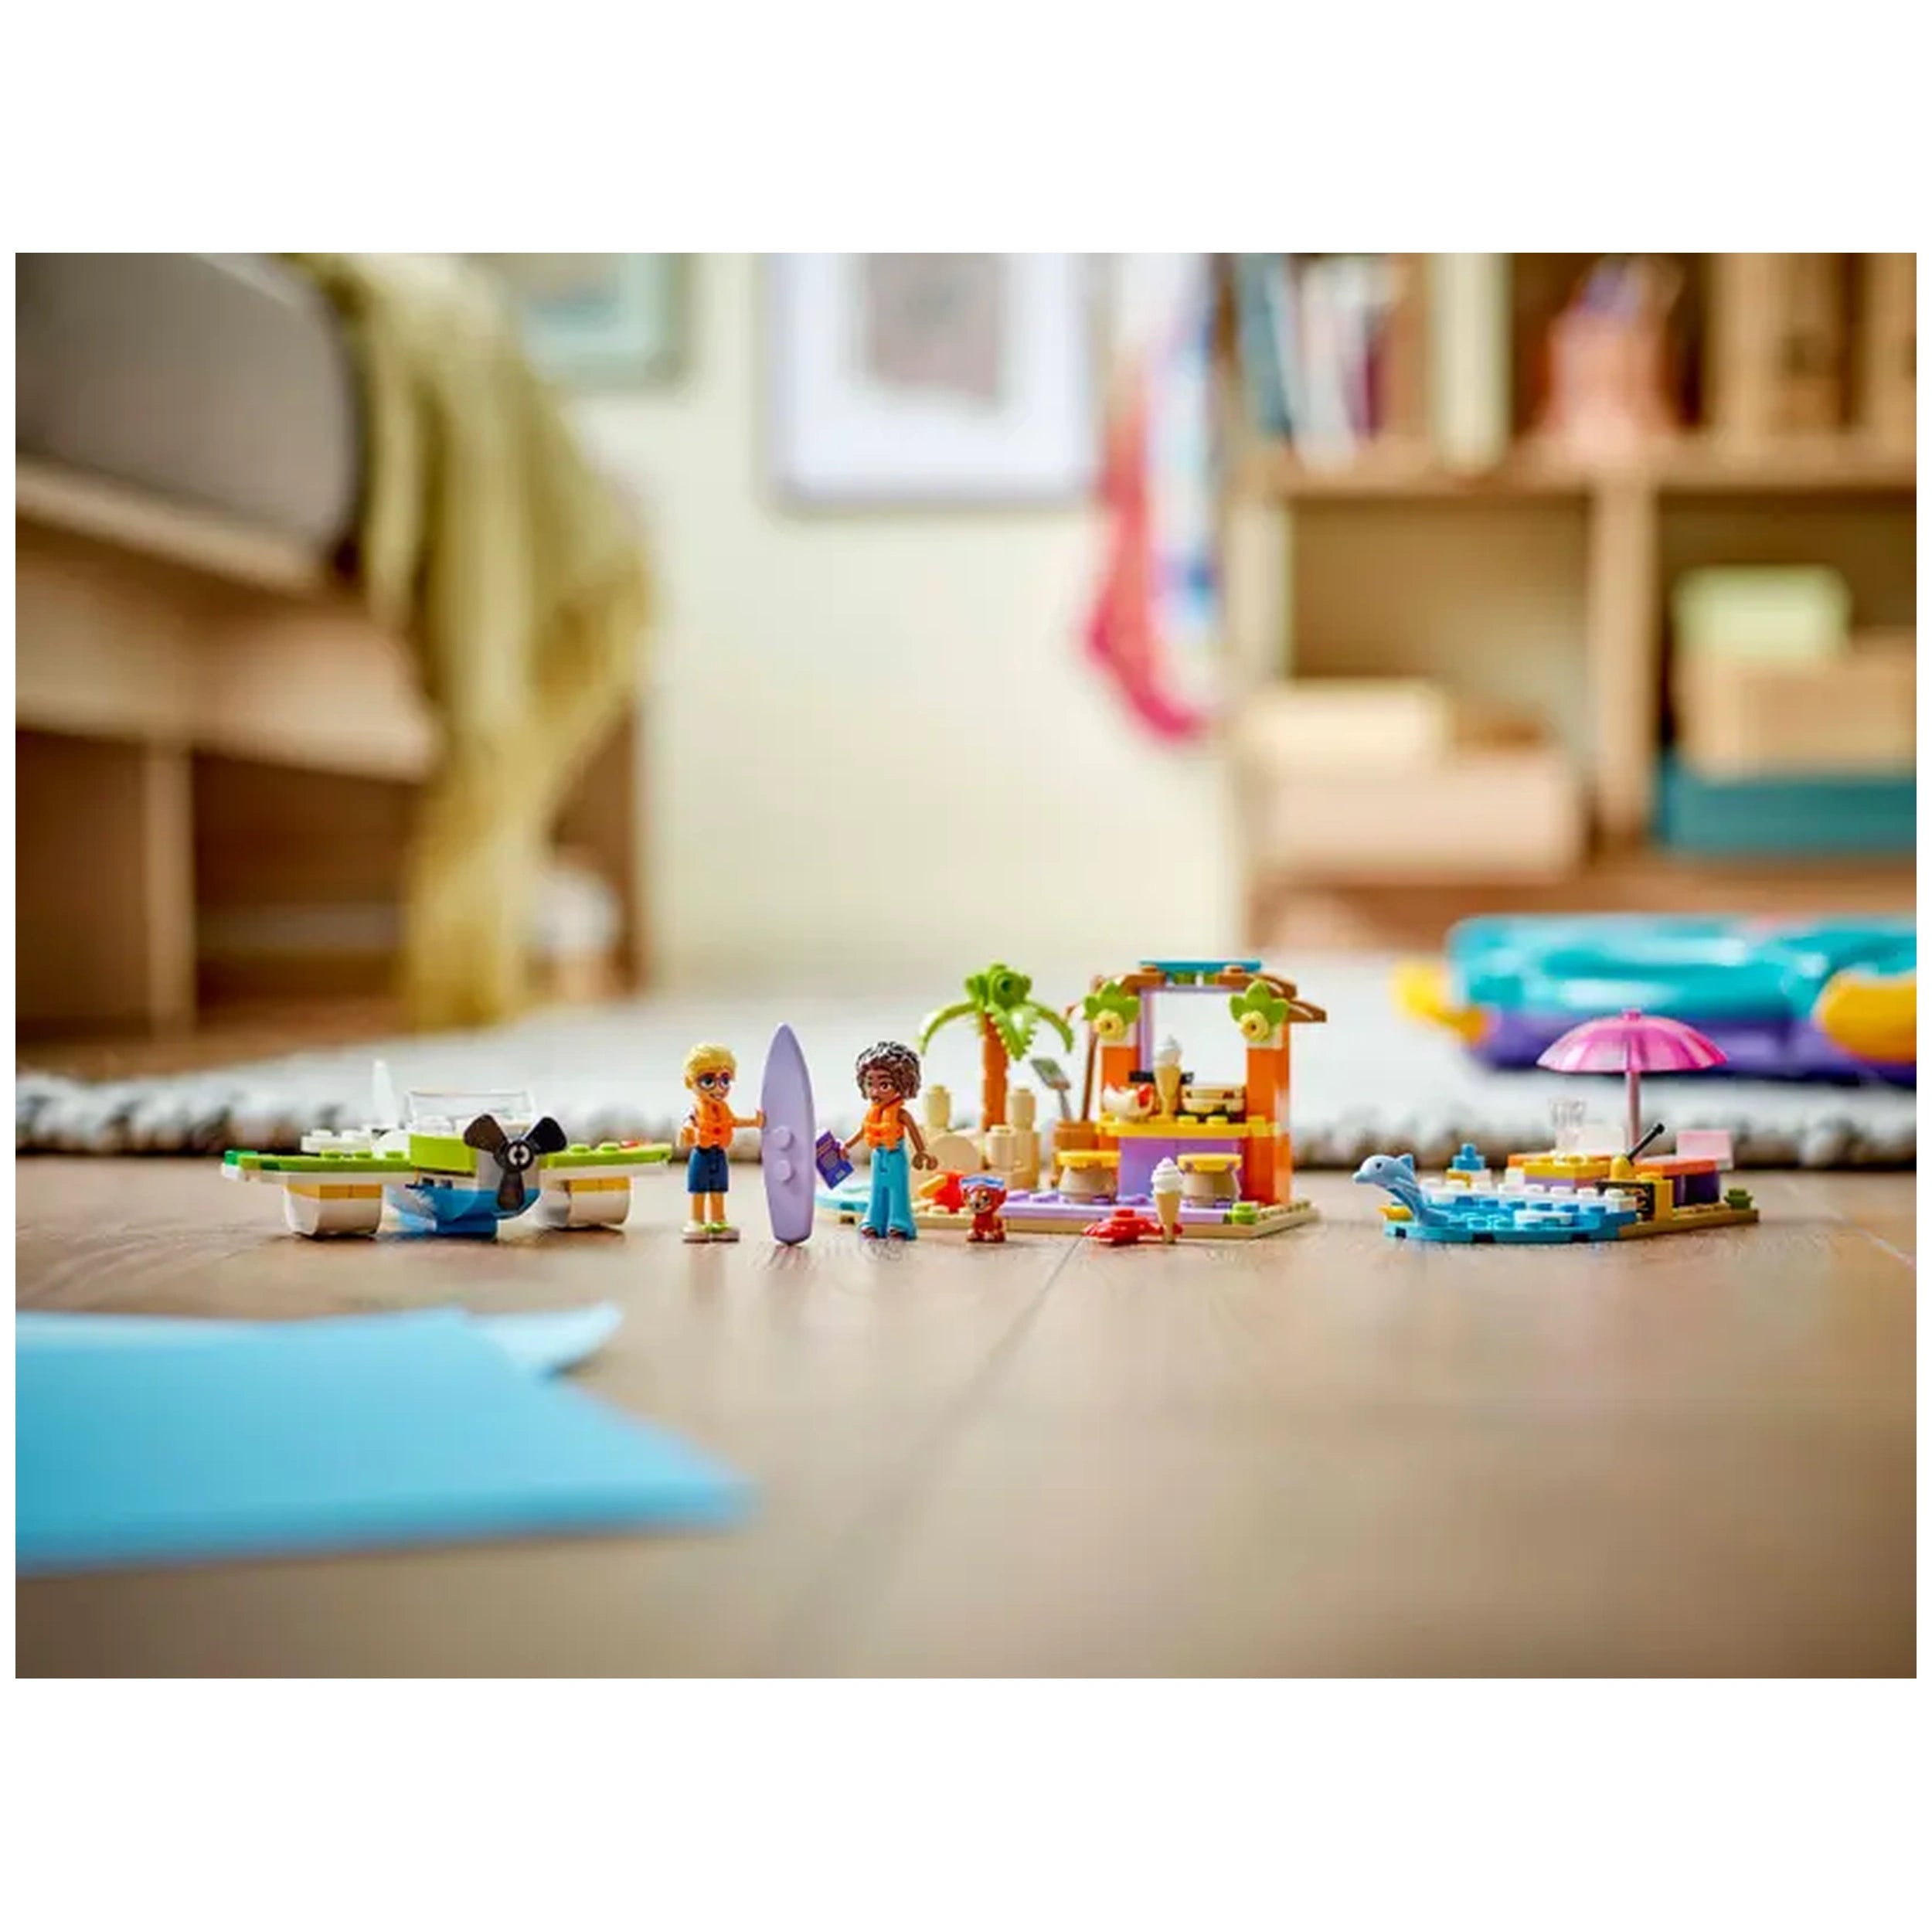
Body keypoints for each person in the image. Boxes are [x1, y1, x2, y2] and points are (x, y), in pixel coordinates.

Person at [841, 1041, 937, 1240]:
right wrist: (846, 1145)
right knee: (877, 1190)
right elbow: (863, 1131)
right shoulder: (872, 1114)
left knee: (897, 1190)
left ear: (902, 1085)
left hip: (895, 1155)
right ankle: (873, 1221)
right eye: (870, 1084)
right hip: (878, 1155)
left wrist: (922, 1152)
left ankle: (899, 1223)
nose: (875, 1092)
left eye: (884, 1085)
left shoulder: (901, 1115)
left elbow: (913, 1132)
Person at [677, 1044, 763, 1243]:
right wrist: (691, 1133)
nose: (719, 1088)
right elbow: (688, 1126)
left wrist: (755, 1122)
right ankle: (696, 1220)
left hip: (719, 1154)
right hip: (702, 1153)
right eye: (708, 1081)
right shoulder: (697, 1110)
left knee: (718, 1189)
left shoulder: (722, 1108)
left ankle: (718, 1220)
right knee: (699, 1189)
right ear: (690, 1082)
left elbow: (733, 1122)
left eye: (725, 1080)